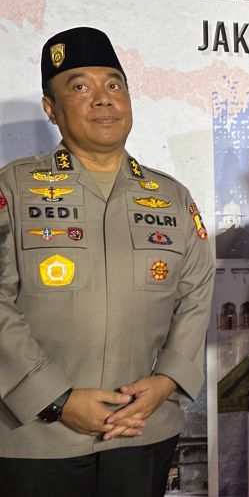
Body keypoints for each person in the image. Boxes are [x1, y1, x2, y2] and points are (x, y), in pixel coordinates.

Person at [0, 27, 214, 497]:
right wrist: (55, 398)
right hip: (35, 436)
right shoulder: (13, 188)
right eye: (80, 86)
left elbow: (196, 296)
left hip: (142, 427)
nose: (103, 98)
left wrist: (166, 381)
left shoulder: (171, 196)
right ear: (51, 109)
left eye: (114, 84)